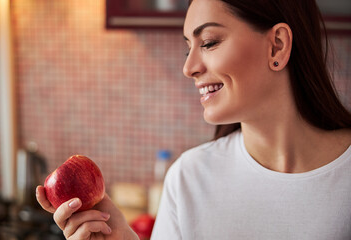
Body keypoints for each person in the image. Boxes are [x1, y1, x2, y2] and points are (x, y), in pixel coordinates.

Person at [36, 0, 351, 239]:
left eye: (209, 42)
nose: (189, 67)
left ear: (277, 45)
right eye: (188, 47)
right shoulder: (188, 178)